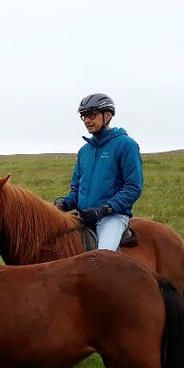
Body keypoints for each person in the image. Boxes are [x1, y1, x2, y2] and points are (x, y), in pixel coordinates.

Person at [54, 93, 143, 251]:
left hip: (112, 217)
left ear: (107, 116)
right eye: (84, 116)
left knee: (102, 259)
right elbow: (77, 191)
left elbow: (133, 187)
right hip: (85, 217)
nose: (87, 120)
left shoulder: (126, 145)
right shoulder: (84, 151)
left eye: (92, 115)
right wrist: (64, 203)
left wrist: (104, 210)